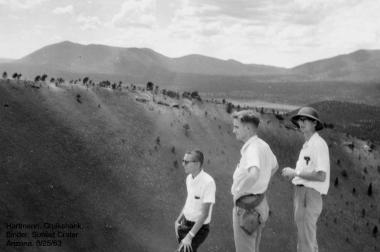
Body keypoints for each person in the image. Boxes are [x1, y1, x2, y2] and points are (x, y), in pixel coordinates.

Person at [281, 107, 330, 252]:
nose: (301, 123)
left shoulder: (317, 144)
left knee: (305, 243)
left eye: (305, 120)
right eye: (299, 120)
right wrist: (295, 175)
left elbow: (321, 176)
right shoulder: (308, 145)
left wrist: (295, 173)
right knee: (309, 240)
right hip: (303, 195)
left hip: (308, 196)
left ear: (314, 123)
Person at [231, 110, 278, 252]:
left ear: (248, 128)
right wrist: (260, 186)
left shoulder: (251, 149)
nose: (234, 131)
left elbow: (253, 174)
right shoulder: (263, 145)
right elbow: (275, 166)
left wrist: (239, 192)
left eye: (236, 127)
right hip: (260, 204)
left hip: (246, 208)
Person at [174, 150, 216, 252]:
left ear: (197, 164)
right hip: (184, 224)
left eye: (187, 162)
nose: (183, 164)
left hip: (198, 229)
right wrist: (177, 221)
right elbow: (189, 202)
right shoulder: (189, 178)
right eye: (183, 161)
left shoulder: (208, 182)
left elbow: (204, 214)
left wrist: (190, 236)